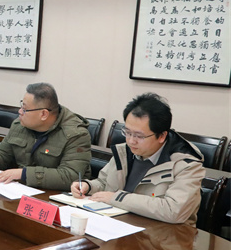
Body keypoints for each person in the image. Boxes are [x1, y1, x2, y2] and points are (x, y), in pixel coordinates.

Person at [71, 93, 205, 225]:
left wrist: (118, 198)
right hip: (120, 225)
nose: (131, 141)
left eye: (139, 136)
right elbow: (104, 182)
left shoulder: (187, 165)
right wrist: (88, 186)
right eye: (127, 132)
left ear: (162, 136)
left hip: (163, 234)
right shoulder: (125, 151)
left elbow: (173, 210)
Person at [0, 82, 91, 191]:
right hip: (20, 189)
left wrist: (24, 174)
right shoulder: (20, 124)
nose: (20, 111)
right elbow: (4, 152)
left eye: (25, 109)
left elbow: (69, 176)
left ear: (44, 114)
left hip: (55, 195)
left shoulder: (76, 135)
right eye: (21, 106)